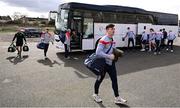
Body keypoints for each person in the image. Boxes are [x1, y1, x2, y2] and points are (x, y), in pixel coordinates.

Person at [93, 24, 127, 104]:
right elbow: (98, 53)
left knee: (114, 80)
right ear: (107, 30)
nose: (113, 30)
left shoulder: (112, 39)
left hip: (111, 64)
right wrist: (108, 56)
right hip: (103, 64)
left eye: (114, 29)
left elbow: (111, 49)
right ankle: (95, 94)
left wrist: (117, 51)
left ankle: (117, 98)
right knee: (99, 79)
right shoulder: (103, 39)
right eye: (112, 29)